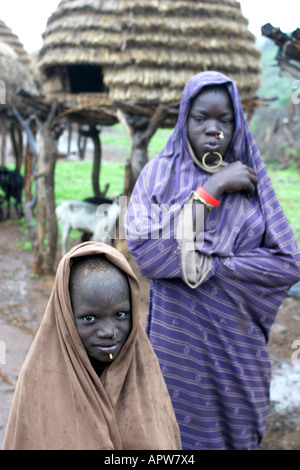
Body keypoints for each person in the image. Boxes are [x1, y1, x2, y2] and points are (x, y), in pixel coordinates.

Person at [125, 71, 300, 450]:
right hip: (176, 353)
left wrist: (213, 268)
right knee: (171, 441)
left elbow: (287, 262)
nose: (213, 129)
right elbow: (146, 253)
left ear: (238, 124)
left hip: (237, 354)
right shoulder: (159, 176)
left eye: (225, 120)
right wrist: (211, 190)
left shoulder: (252, 181)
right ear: (184, 119)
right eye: (201, 117)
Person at [2, 242, 181, 450]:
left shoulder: (145, 374)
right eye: (89, 318)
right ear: (66, 316)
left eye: (120, 314)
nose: (108, 331)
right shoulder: (40, 379)